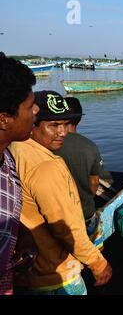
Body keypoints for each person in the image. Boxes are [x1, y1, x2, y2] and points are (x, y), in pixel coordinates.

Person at [10, 90, 112, 295]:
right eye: (54, 125)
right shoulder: (46, 167)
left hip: (25, 271)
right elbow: (67, 229)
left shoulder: (14, 148)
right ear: (33, 124)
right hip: (55, 275)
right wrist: (98, 263)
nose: (63, 132)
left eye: (65, 124)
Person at [0, 53, 40, 295]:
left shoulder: (7, 159)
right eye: (29, 106)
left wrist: (21, 235)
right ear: (4, 119)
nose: (36, 110)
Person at [53, 97, 112, 249]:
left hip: (57, 216)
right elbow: (93, 185)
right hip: (84, 213)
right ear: (79, 120)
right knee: (93, 251)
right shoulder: (89, 146)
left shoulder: (47, 144)